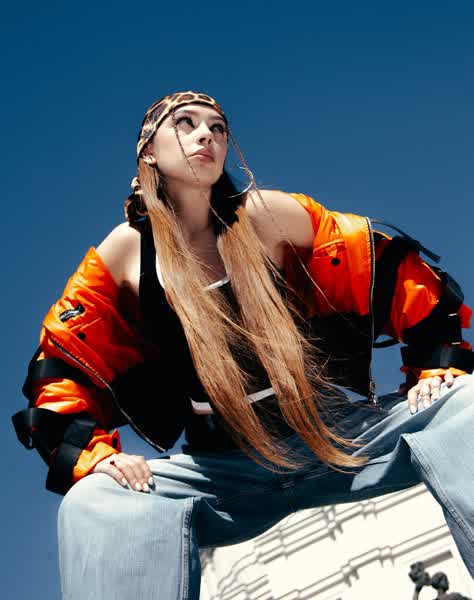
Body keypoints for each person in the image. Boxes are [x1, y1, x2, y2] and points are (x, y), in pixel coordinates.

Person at [12, 90, 474, 599]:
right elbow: (62, 361)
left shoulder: (268, 215)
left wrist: (436, 364)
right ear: (149, 153)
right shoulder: (125, 251)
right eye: (185, 124)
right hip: (219, 472)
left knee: (467, 403)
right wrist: (92, 456)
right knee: (92, 502)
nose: (206, 135)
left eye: (217, 128)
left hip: (336, 437)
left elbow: (385, 267)